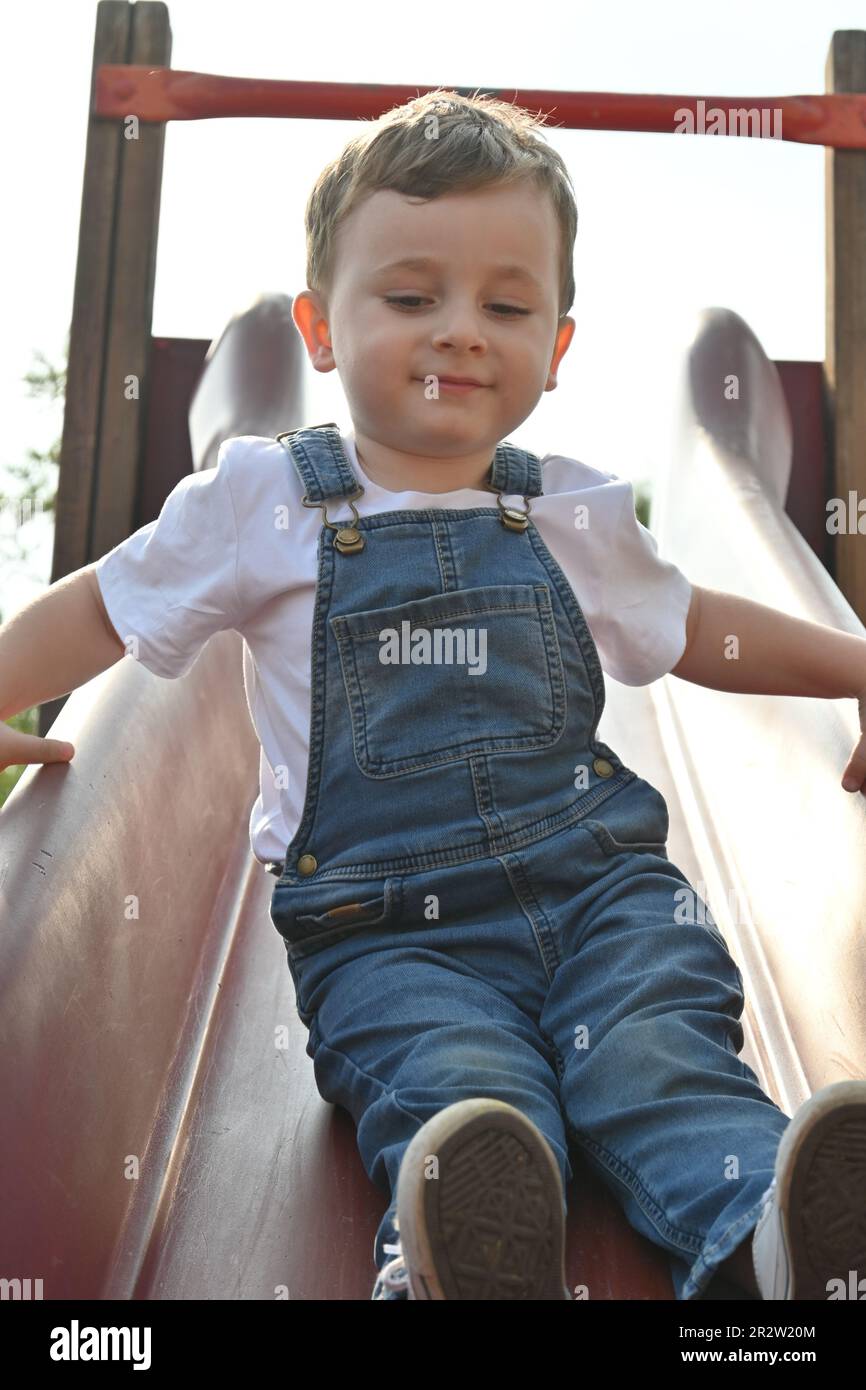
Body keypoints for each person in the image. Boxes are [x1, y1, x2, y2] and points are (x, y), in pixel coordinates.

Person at [3, 88, 866, 1303]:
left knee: (660, 1052)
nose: (460, 330)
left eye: (505, 306)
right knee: (459, 1089)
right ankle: (456, 1257)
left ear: (556, 347)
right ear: (319, 326)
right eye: (411, 298)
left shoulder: (566, 509)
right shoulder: (266, 501)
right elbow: (101, 607)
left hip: (601, 895)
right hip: (385, 935)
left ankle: (770, 1246)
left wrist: (855, 666)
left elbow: (698, 632)